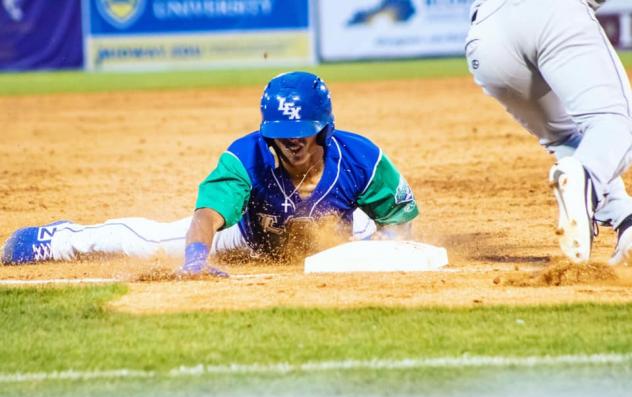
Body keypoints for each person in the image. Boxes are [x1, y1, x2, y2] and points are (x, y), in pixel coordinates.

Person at [1, 71, 419, 275]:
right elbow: (206, 217)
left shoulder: (362, 158)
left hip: (344, 237)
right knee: (148, 241)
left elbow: (400, 221)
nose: (291, 143)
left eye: (301, 134)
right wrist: (197, 256)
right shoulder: (246, 156)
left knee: (379, 244)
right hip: (249, 238)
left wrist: (386, 247)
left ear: (324, 129)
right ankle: (54, 239)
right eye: (280, 134)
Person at [465, 0, 632, 264]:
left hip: (486, 39)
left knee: (564, 138)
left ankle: (626, 222)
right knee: (616, 122)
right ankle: (588, 181)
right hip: (552, 13)